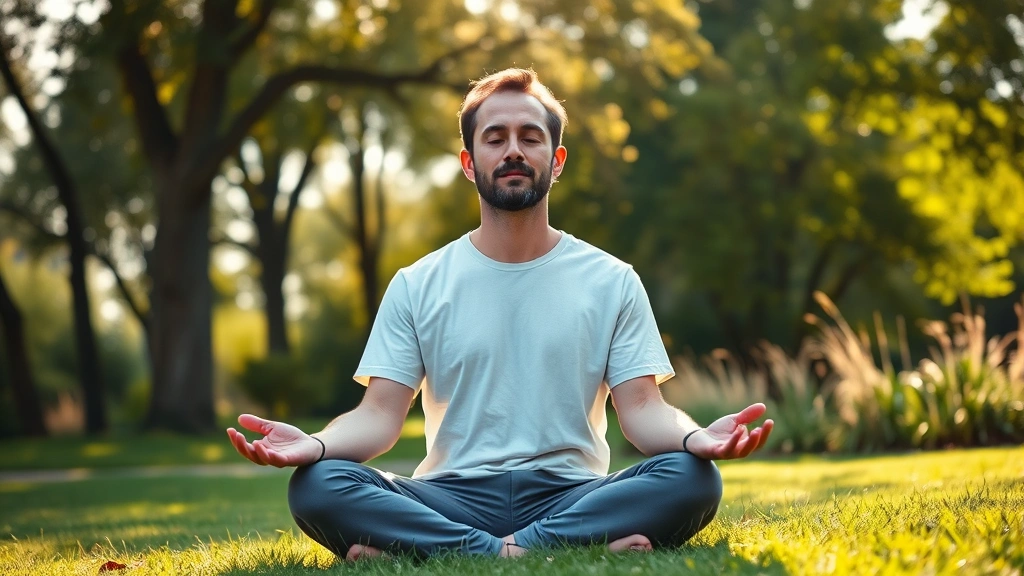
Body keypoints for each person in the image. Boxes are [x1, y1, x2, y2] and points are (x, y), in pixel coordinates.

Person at [226, 68, 773, 560]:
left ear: (555, 162)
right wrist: (315, 446)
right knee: (317, 484)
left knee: (693, 478)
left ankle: (451, 550)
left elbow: (644, 411)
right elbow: (379, 417)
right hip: (448, 495)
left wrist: (695, 437)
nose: (514, 150)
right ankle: (524, 548)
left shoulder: (613, 280)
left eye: (530, 137)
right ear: (470, 163)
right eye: (496, 138)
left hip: (572, 492)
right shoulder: (418, 284)